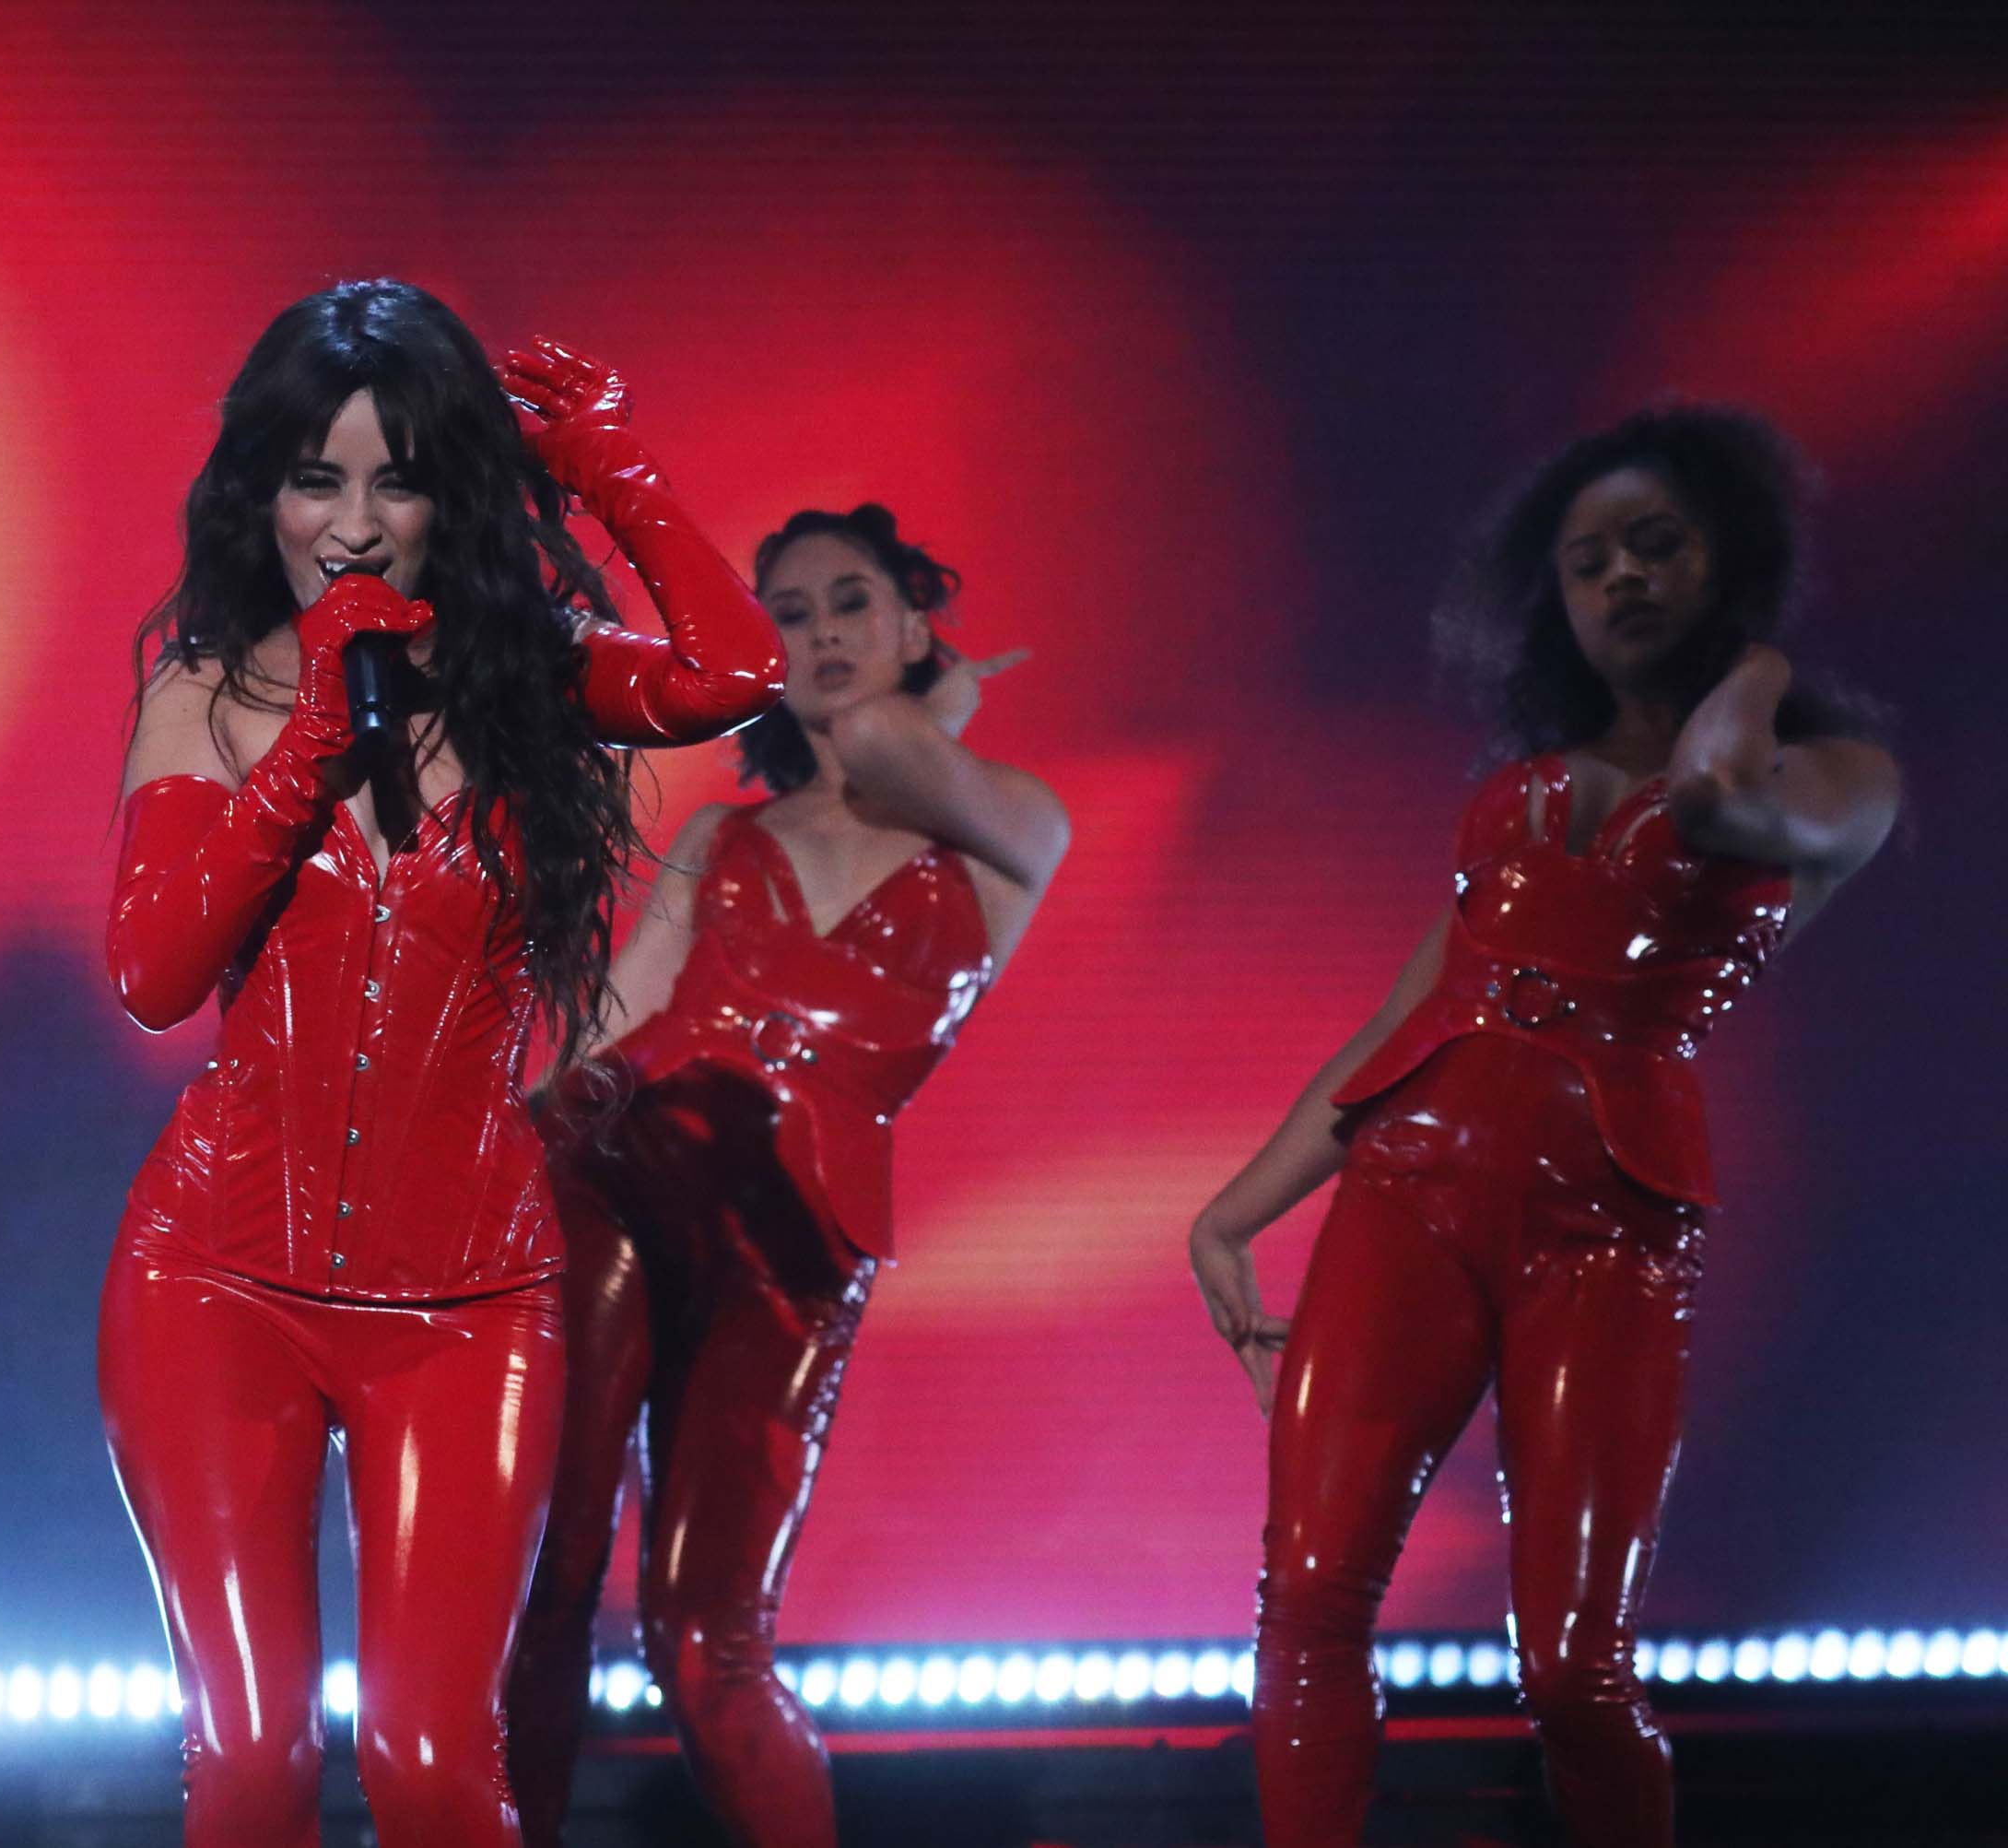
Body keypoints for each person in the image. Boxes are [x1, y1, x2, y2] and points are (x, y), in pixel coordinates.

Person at [99, 278, 784, 1847]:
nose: (350, 522)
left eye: (395, 476)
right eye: (315, 477)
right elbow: (150, 976)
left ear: (449, 495)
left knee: (427, 1763)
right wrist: (304, 757)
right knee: (255, 1762)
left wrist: (616, 477)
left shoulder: (533, 678)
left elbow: (731, 677)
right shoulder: (203, 693)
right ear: (259, 490)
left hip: (464, 1303)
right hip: (216, 1282)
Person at [1185, 407, 1900, 1847]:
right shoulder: (1504, 797)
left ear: (1729, 558)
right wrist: (1231, 1212)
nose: (1623, 580)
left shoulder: (1832, 774)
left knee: (1576, 1669)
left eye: (1658, 545)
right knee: (1310, 1602)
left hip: (1610, 1230)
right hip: (1407, 1194)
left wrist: (1759, 657)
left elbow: (1713, 793)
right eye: (1588, 561)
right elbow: (1400, 1029)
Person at [505, 503, 1070, 1847]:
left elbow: (878, 739)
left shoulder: (1010, 826)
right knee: (549, 1570)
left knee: (707, 1647)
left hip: (793, 1242)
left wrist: (943, 700)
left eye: (849, 603)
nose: (816, 634)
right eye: (791, 614)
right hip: (620, 1176)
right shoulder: (719, 838)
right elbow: (600, 1039)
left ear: (918, 624)